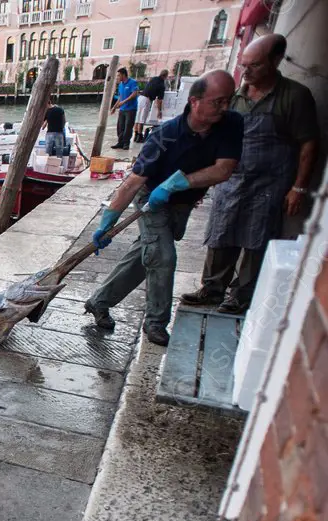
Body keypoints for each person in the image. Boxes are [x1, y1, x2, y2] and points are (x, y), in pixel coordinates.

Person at [84, 70, 243, 346]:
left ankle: (99, 301)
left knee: (145, 256)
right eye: (217, 101)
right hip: (150, 199)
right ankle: (156, 323)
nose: (224, 107)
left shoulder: (231, 123)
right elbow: (132, 183)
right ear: (194, 101)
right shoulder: (163, 137)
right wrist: (107, 222)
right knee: (163, 257)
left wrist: (179, 183)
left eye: (228, 100)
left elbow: (224, 169)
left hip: (181, 202)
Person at [180, 34, 320, 315]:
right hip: (231, 177)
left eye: (254, 66)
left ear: (275, 61)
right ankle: (212, 288)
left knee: (257, 237)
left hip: (270, 181)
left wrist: (299, 187)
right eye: (244, 66)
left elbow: (309, 143)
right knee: (221, 232)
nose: (247, 72)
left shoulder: (294, 96)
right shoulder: (235, 97)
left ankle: (240, 295)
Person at [134, 69, 169, 143]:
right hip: (146, 99)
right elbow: (159, 100)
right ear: (166, 76)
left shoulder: (154, 78)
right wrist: (159, 111)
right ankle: (139, 136)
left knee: (138, 117)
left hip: (140, 98)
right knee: (142, 119)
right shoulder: (161, 85)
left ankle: (135, 135)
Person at [110, 67, 139, 150]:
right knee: (120, 126)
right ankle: (120, 142)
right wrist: (114, 107)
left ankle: (126, 143)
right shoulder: (121, 85)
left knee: (128, 127)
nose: (118, 77)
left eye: (119, 75)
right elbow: (120, 97)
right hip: (122, 109)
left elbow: (134, 94)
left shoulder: (133, 82)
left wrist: (124, 102)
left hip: (131, 109)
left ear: (123, 75)